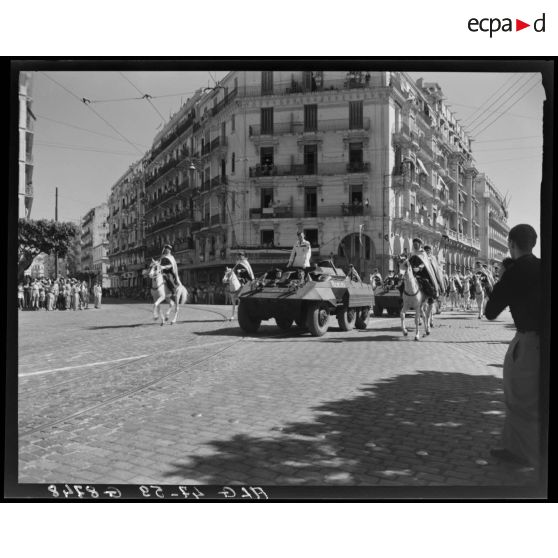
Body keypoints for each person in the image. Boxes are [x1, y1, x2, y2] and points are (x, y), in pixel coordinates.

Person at [485, 224, 541, 467]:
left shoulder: (514, 272)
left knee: (519, 398)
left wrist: (497, 282)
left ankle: (525, 453)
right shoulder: (542, 266)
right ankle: (512, 445)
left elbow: (490, 311)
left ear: (510, 244)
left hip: (528, 341)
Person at [407, 238, 440, 302]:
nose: (415, 246)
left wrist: (419, 268)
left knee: (426, 281)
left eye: (416, 244)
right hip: (413, 272)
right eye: (414, 245)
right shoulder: (412, 253)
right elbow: (409, 262)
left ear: (419, 245)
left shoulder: (423, 253)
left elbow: (425, 263)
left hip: (422, 272)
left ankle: (431, 296)